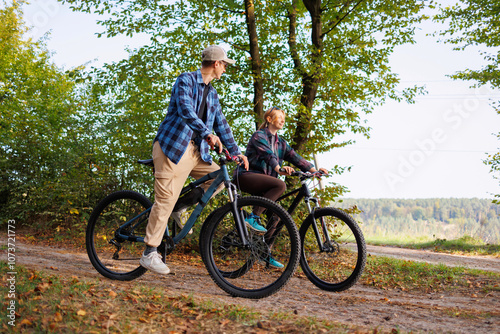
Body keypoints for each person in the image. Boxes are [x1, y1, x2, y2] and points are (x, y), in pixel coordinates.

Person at [140, 45, 249, 275]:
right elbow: (186, 110)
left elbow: (221, 124)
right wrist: (206, 133)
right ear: (216, 64)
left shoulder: (212, 93)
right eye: (225, 65)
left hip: (197, 153)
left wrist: (236, 151)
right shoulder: (185, 81)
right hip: (174, 148)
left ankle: (180, 208)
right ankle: (150, 252)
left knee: (219, 180)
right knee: (165, 199)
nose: (225, 70)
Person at [234, 106, 328, 268]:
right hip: (246, 177)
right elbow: (268, 155)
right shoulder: (259, 135)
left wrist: (315, 171)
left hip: (266, 185)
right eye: (279, 117)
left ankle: (264, 252)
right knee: (280, 184)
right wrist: (279, 169)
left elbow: (297, 159)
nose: (283, 120)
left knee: (276, 216)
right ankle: (252, 217)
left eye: (284, 118)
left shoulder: (282, 143)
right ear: (269, 120)